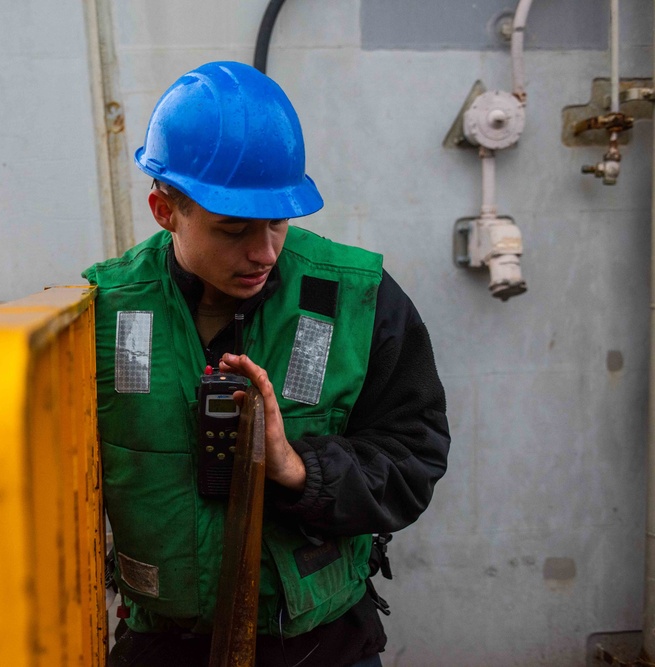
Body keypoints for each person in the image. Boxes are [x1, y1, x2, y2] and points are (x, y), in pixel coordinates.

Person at [82, 61, 450, 667]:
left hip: (322, 647)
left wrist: (295, 468)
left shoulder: (355, 298)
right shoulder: (104, 312)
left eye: (278, 222)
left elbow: (415, 457)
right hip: (161, 645)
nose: (263, 252)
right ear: (164, 208)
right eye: (234, 229)